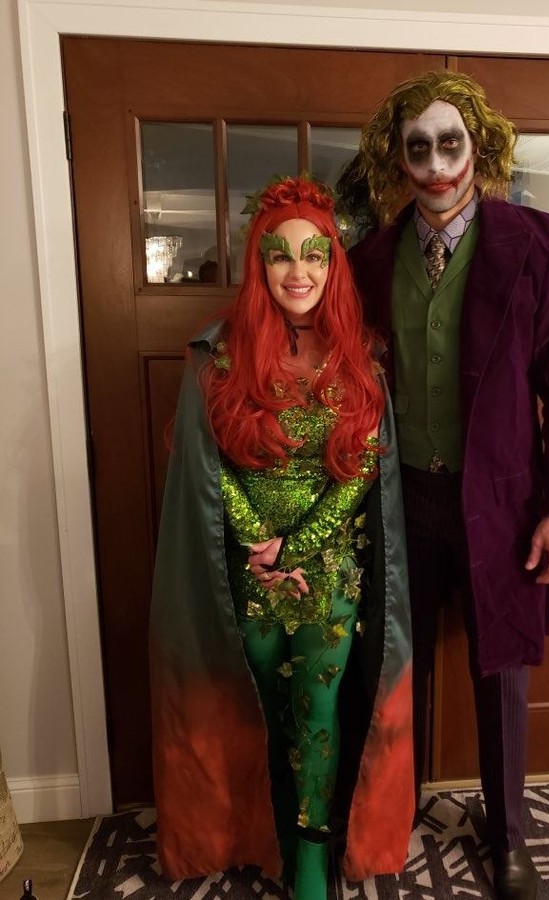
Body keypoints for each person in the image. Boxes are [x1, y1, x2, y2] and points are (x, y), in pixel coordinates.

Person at [340, 71, 549, 900]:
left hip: (503, 501)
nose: (435, 164)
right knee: (394, 665)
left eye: (450, 143)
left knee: (503, 674)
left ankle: (510, 835)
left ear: (478, 146)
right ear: (399, 158)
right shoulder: (370, 260)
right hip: (398, 500)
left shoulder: (536, 243)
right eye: (417, 147)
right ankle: (391, 812)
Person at [149, 177, 414, 899]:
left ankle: (311, 861)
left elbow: (364, 468)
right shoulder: (218, 355)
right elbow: (207, 466)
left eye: (314, 255)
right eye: (280, 255)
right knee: (262, 710)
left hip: (329, 571)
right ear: (259, 264)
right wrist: (259, 544)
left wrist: (296, 548)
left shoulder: (361, 355)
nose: (299, 271)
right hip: (249, 573)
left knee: (318, 713)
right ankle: (270, 841)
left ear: (333, 264)